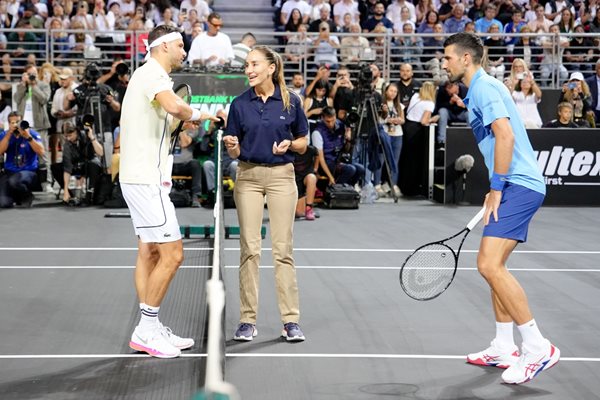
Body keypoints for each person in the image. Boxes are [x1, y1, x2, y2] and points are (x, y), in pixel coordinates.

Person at [442, 32, 559, 385]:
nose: (443, 63)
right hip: (512, 183)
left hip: (519, 185)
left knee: (488, 265)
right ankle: (504, 345)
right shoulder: (476, 90)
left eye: (447, 57)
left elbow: (505, 136)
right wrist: (497, 184)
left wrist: (496, 188)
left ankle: (538, 347)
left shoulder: (484, 88)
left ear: (466, 59)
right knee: (495, 266)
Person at [119, 25, 217, 359]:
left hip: (140, 177)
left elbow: (169, 119)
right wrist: (201, 114)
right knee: (174, 254)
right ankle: (146, 329)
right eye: (180, 45)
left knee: (149, 252)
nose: (184, 51)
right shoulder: (152, 73)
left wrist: (182, 123)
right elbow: (175, 107)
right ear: (162, 47)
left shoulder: (150, 77)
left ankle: (150, 325)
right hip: (145, 180)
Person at [222, 45, 309, 343]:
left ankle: (291, 320)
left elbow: (303, 142)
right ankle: (247, 320)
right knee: (250, 249)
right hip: (247, 176)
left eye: (254, 64)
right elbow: (233, 147)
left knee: (283, 250)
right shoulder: (239, 104)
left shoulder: (291, 101)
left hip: (282, 177)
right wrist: (232, 145)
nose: (248, 69)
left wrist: (290, 146)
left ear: (271, 67)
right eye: (246, 64)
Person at [50, 122, 104, 205]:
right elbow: (67, 168)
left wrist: (92, 138)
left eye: (70, 135)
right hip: (75, 165)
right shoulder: (67, 145)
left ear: (75, 131)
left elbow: (101, 153)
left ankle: (90, 193)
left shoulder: (86, 136)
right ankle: (69, 194)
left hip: (89, 162)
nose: (68, 138)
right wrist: (65, 191)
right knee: (55, 167)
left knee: (94, 164)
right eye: (66, 136)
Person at [0, 111, 45, 208]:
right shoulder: (5, 135)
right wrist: (9, 134)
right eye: (13, 123)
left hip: (28, 172)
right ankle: (18, 197)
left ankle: (27, 195)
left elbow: (42, 152)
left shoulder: (32, 134)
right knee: (4, 203)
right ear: (9, 124)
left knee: (14, 181)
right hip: (9, 172)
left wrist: (28, 137)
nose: (16, 125)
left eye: (18, 122)